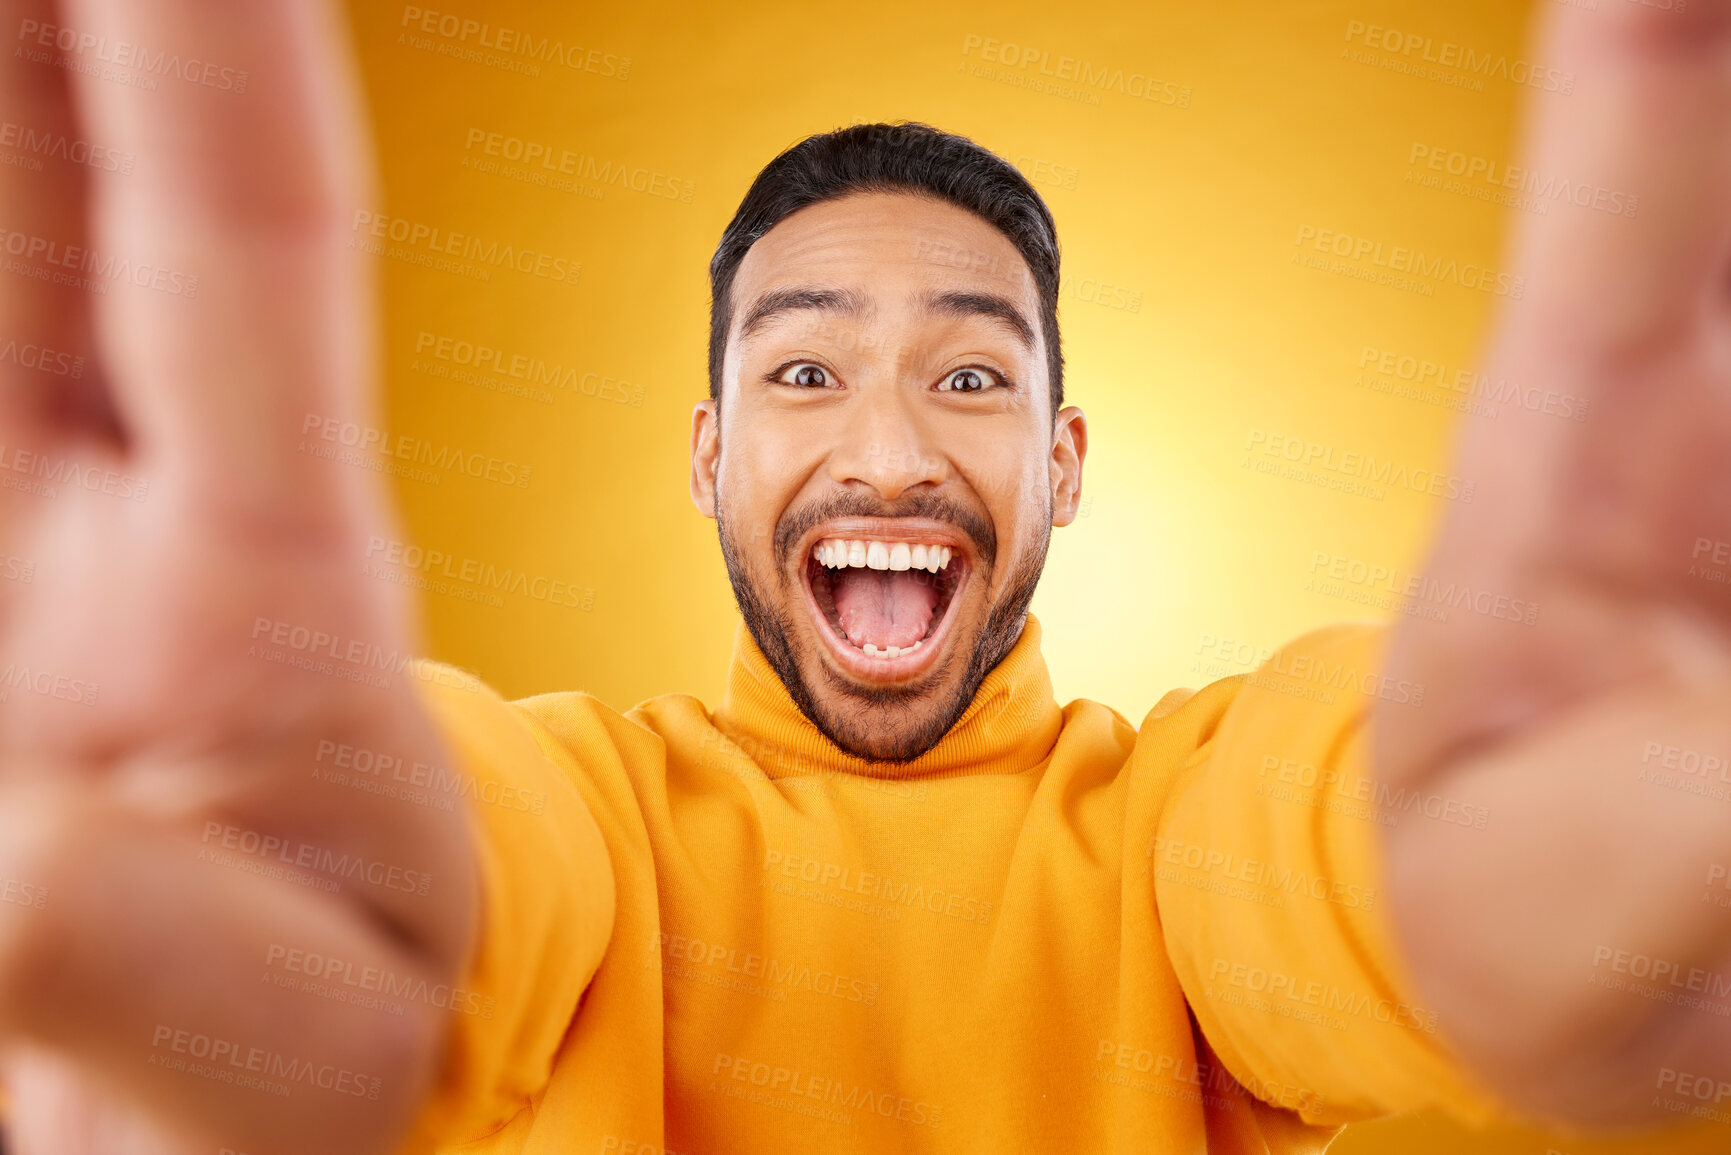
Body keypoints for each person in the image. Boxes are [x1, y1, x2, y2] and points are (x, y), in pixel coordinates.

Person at [0, 1, 1726, 1152]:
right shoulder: (589, 806)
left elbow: (1302, 846)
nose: (891, 455)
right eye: (807, 372)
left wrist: (1449, 886)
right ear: (706, 455)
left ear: (1062, 463)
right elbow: (476, 844)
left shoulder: (1176, 822)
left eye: (972, 378)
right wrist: (276, 880)